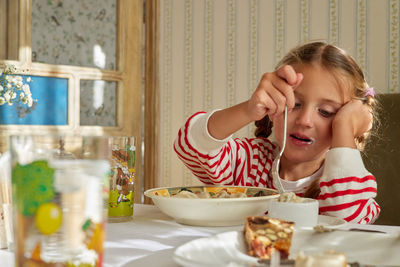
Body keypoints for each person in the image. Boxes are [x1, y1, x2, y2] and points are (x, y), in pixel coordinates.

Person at [174, 41, 380, 224]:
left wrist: (344, 126)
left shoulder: (351, 185)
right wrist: (248, 109)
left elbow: (346, 224)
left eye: (326, 112)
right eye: (295, 104)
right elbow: (190, 145)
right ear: (274, 106)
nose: (304, 120)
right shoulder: (248, 163)